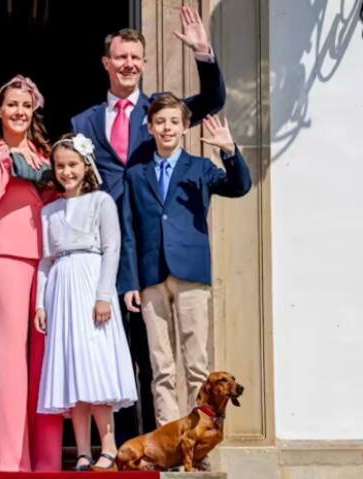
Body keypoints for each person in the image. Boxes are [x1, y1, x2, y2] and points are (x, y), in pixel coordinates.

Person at [70, 6, 226, 439]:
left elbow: (212, 101)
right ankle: (121, 446)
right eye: (121, 57)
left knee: (156, 355)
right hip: (100, 247)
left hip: (151, 247)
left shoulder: (161, 111)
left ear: (143, 62)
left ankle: (165, 444)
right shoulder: (83, 122)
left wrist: (203, 54)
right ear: (107, 62)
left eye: (135, 58)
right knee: (109, 348)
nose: (129, 64)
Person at [119, 94, 251, 428]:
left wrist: (229, 151)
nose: (167, 128)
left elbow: (240, 186)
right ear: (150, 127)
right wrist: (130, 282)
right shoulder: (135, 174)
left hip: (190, 272)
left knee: (196, 364)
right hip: (151, 276)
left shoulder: (200, 168)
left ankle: (200, 438)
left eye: (174, 122)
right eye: (160, 122)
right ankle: (169, 440)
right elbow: (129, 230)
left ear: (184, 127)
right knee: (160, 366)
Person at [0, 75, 63, 472]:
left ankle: (47, 461)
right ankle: (11, 462)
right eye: (12, 104)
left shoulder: (48, 155)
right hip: (6, 255)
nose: (19, 112)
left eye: (26, 105)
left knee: (47, 359)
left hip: (49, 260)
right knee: (9, 359)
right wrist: (9, 163)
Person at [34, 133, 137, 471]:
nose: (67, 172)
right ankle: (82, 451)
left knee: (96, 365)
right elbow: (46, 261)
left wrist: (104, 295)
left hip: (91, 284)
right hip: (62, 290)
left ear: (86, 165)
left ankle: (108, 446)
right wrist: (40, 304)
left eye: (73, 165)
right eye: (60, 166)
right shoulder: (49, 211)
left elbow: (112, 248)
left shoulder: (101, 202)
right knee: (73, 370)